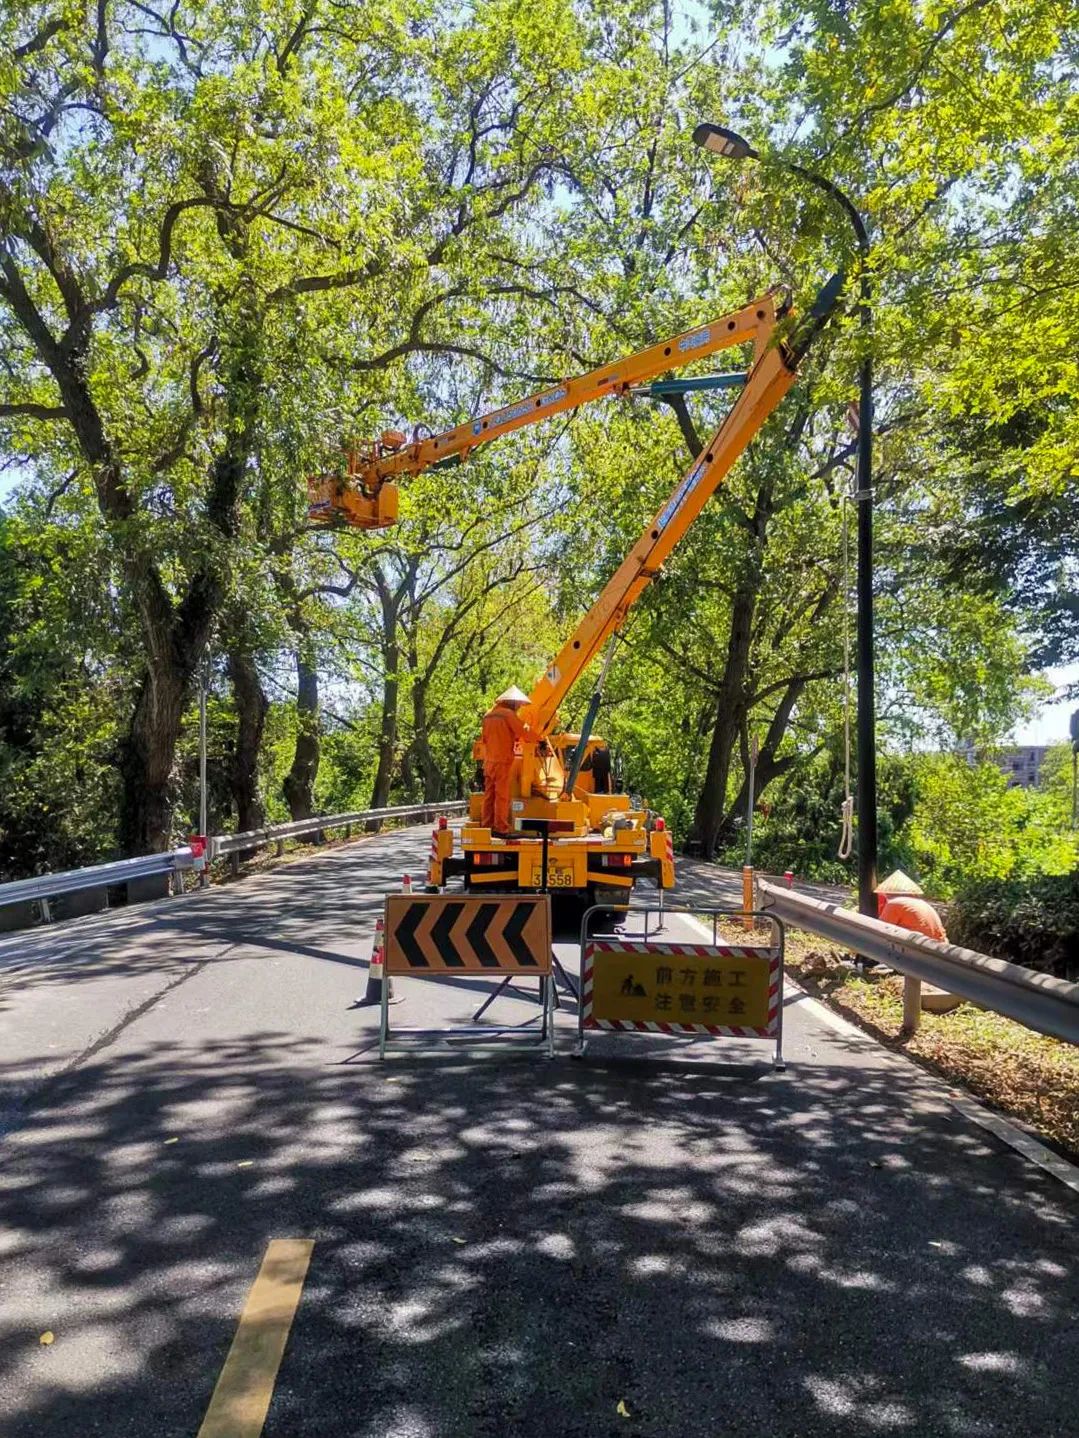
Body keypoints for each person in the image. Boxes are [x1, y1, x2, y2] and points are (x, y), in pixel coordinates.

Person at [481, 686, 531, 836]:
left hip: (489, 762)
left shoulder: (488, 716)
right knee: (502, 795)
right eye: (519, 705)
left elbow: (485, 739)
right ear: (513, 703)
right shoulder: (508, 715)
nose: (519, 707)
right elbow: (523, 733)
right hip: (502, 761)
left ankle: (486, 826)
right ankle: (501, 828)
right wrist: (538, 737)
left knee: (489, 795)